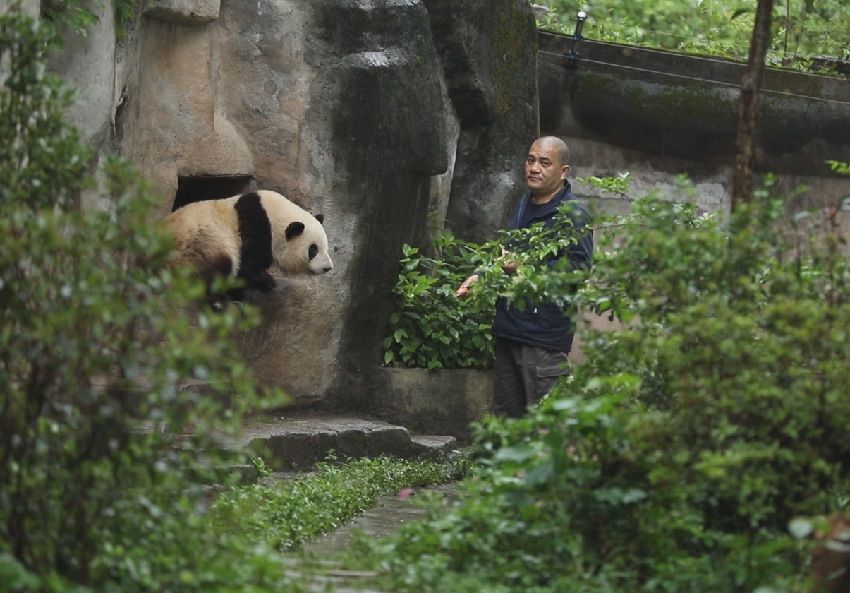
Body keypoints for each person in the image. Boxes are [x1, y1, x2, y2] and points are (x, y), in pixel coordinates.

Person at [455, 136, 593, 418]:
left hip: (542, 337)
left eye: (544, 162)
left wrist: (526, 267)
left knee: (546, 425)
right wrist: (482, 275)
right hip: (510, 329)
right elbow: (508, 256)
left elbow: (578, 269)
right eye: (531, 160)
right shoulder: (525, 202)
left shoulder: (572, 214)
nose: (534, 168)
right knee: (507, 423)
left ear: (563, 171)